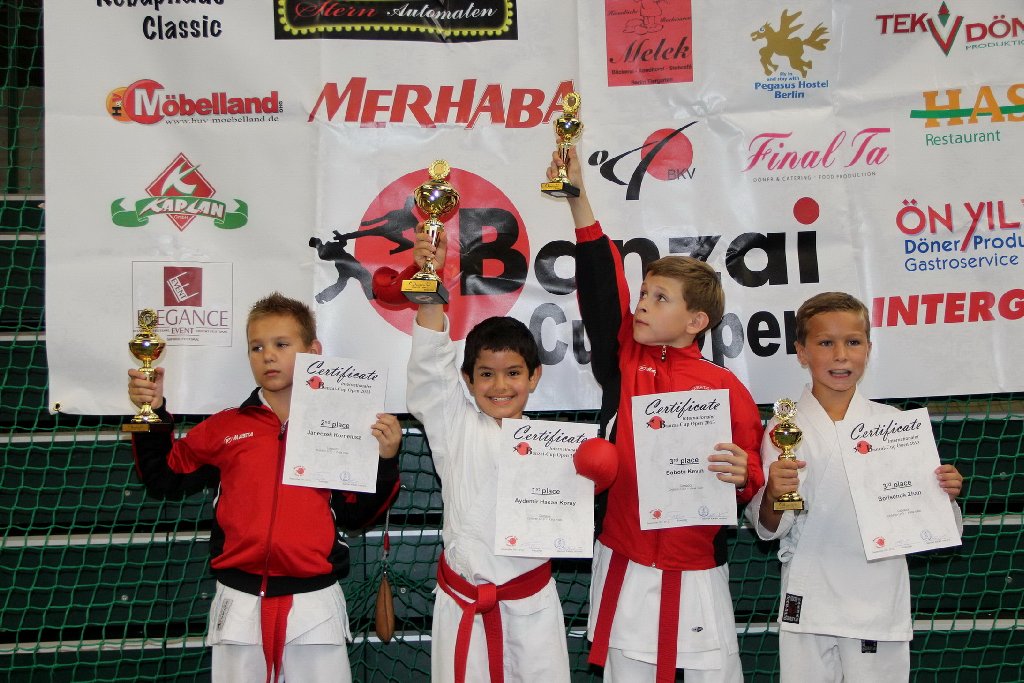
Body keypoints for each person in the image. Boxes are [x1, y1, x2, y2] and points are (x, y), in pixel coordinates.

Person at [549, 148, 764, 682]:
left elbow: (751, 479)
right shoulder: (625, 358)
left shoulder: (726, 390)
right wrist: (579, 201)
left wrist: (745, 475)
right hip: (625, 561)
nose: (642, 303)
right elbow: (602, 291)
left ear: (696, 321)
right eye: (644, 292)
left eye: (660, 297)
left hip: (698, 571)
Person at [127, 292, 401, 683]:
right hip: (238, 602)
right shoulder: (226, 427)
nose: (268, 356)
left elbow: (358, 515)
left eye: (281, 344)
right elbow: (164, 475)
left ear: (313, 352)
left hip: (314, 602)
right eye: (257, 347)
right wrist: (152, 414)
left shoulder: (344, 426)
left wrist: (385, 461)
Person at [745, 291, 964, 682]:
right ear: (801, 352)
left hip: (876, 591)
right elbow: (770, 528)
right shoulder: (784, 427)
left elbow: (932, 526)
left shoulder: (893, 423)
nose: (841, 356)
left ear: (869, 349)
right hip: (810, 592)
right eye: (825, 343)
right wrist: (774, 495)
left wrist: (942, 495)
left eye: (853, 342)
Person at [404, 231, 571, 683]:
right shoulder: (454, 426)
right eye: (486, 375)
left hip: (532, 605)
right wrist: (431, 280)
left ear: (534, 377)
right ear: (467, 379)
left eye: (513, 373)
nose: (500, 386)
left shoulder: (552, 445)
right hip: (465, 603)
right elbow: (430, 368)